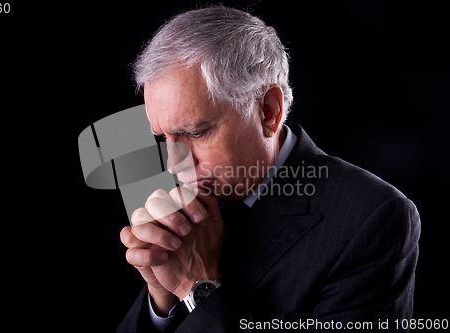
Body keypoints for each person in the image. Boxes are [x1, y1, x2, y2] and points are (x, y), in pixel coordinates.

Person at [117, 6, 420, 332]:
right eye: (163, 137)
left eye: (195, 132)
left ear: (268, 110)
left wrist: (196, 288)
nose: (174, 163)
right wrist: (162, 298)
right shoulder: (193, 198)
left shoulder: (372, 218)